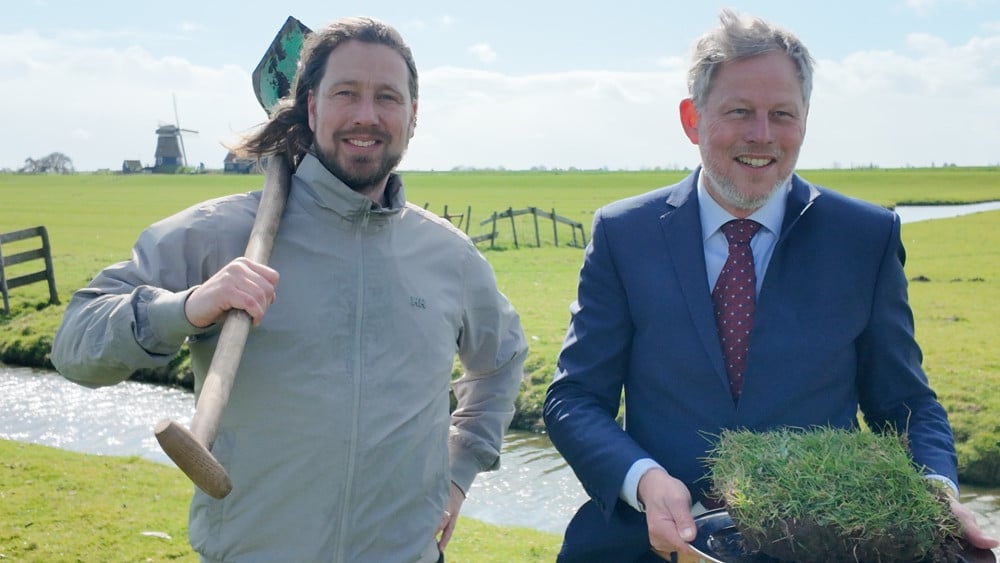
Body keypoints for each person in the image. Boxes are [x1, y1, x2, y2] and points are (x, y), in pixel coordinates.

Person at [51, 16, 527, 562]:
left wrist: (459, 468)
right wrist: (186, 308)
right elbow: (74, 347)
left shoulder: (449, 256)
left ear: (413, 116)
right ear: (311, 107)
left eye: (387, 97)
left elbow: (502, 361)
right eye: (346, 93)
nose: (366, 115)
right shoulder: (219, 233)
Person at [543, 9, 998, 562]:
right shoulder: (624, 233)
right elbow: (574, 399)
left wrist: (935, 494)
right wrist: (643, 481)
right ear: (692, 119)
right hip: (646, 543)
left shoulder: (866, 236)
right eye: (739, 111)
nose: (762, 135)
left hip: (819, 548)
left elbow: (903, 402)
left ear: (804, 120)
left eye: (782, 114)